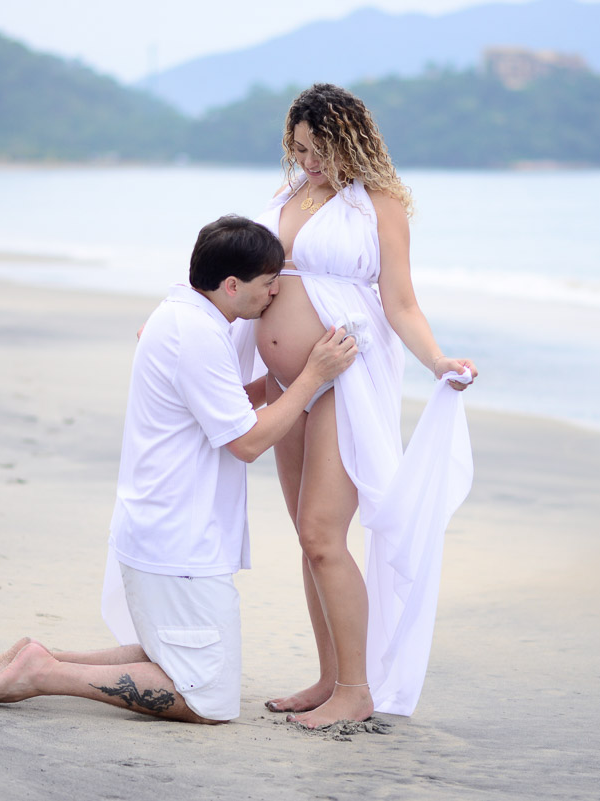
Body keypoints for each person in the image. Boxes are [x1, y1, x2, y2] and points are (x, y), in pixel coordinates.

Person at [0, 216, 357, 722]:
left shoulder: (184, 316)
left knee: (172, 662)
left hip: (164, 535)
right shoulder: (194, 332)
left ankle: (42, 657)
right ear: (231, 285)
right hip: (177, 545)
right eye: (267, 284)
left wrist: (287, 379)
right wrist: (316, 375)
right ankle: (45, 674)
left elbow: (222, 403)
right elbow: (247, 441)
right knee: (207, 699)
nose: (275, 295)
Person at [232, 83, 479, 727]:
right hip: (291, 384)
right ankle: (328, 676)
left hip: (345, 378)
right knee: (308, 539)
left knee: (323, 534)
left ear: (351, 139)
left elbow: (400, 302)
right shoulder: (285, 197)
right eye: (299, 149)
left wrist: (438, 362)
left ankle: (357, 689)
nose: (308, 162)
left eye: (319, 150)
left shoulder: (380, 204)